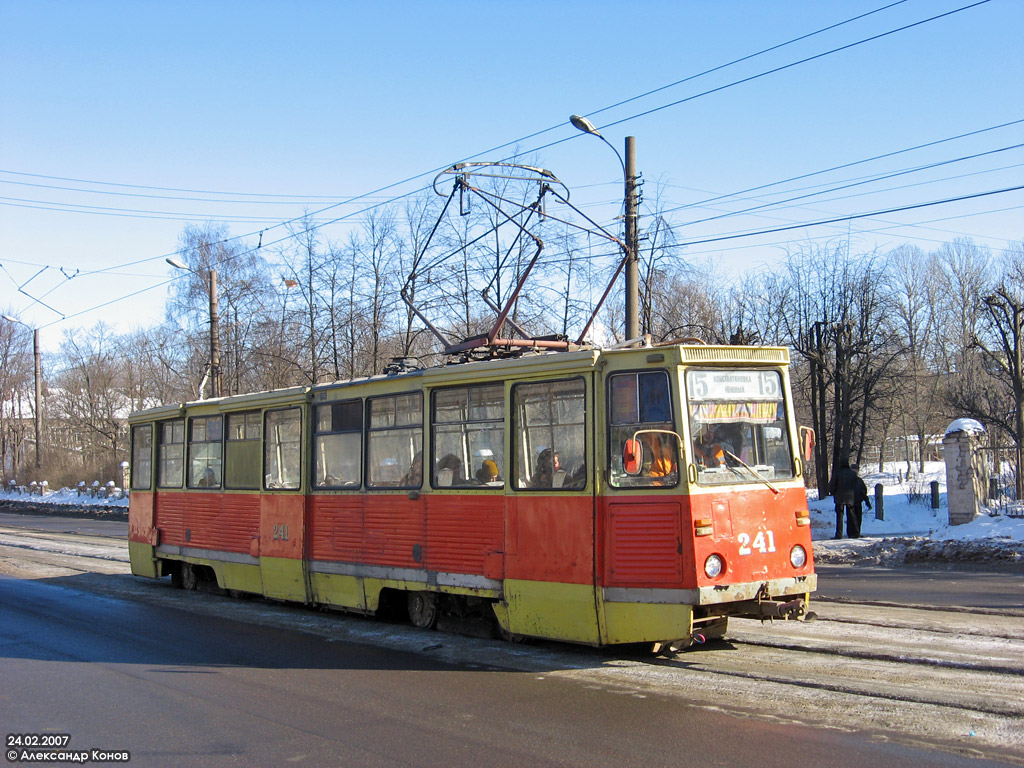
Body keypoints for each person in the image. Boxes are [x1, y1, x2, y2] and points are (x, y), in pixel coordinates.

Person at [829, 460, 869, 538]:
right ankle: (854, 533)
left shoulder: (837, 473)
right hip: (850, 497)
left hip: (839, 498)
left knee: (839, 516)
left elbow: (832, 485)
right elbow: (857, 486)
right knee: (852, 516)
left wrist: (833, 492)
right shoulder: (853, 474)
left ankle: (839, 534)